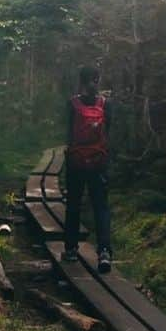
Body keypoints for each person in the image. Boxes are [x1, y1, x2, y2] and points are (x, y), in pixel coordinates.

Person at [62, 65, 113, 272]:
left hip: (76, 162)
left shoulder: (72, 104)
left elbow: (68, 133)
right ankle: (104, 252)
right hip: (98, 163)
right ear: (97, 80)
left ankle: (71, 249)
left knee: (73, 204)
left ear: (81, 81)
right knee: (101, 207)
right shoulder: (105, 104)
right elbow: (107, 132)